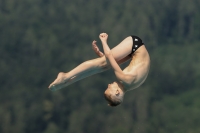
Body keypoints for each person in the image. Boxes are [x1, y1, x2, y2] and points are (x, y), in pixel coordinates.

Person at [49, 33, 150, 106]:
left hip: (134, 53)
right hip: (134, 45)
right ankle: (66, 76)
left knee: (103, 65)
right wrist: (104, 41)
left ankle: (67, 82)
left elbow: (110, 62)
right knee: (101, 63)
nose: (108, 84)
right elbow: (109, 55)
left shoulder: (128, 85)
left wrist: (102, 56)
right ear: (117, 92)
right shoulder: (124, 79)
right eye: (109, 88)